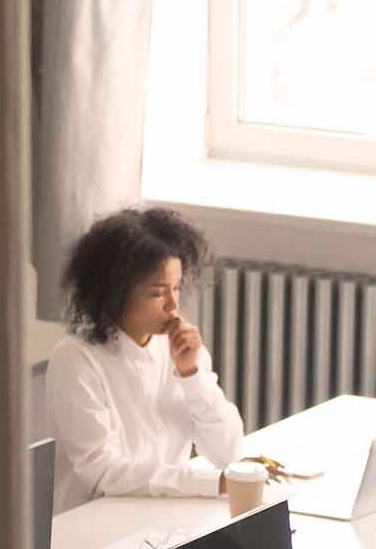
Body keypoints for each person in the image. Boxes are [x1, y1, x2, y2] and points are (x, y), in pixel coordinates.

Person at [43, 206, 248, 513]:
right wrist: (208, 483)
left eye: (176, 288)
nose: (173, 303)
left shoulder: (181, 352)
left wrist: (192, 376)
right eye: (157, 293)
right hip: (92, 525)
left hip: (164, 520)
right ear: (115, 293)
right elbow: (102, 473)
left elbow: (229, 451)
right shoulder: (76, 359)